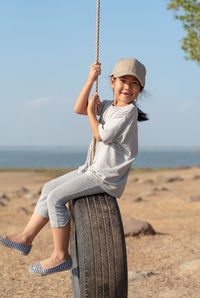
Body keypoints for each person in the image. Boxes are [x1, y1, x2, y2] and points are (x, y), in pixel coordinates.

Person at [0, 58, 147, 276]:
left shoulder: (128, 112)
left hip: (105, 176)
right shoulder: (108, 106)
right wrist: (90, 80)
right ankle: (26, 238)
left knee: (56, 198)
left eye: (134, 83)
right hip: (92, 169)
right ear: (112, 82)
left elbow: (101, 135)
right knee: (50, 187)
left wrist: (91, 112)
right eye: (123, 80)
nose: (127, 87)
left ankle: (61, 255)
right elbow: (79, 108)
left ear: (140, 89)